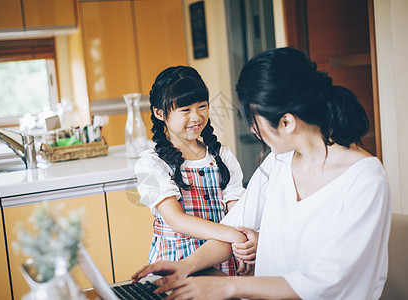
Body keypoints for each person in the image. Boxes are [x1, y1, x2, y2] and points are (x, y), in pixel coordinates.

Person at [132, 47, 391, 299]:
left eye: (255, 123)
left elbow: (328, 281)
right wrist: (186, 267)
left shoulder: (364, 179)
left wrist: (228, 287)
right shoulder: (277, 162)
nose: (254, 133)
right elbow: (232, 227)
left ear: (286, 122)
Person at [134, 66, 257, 276]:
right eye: (185, 110)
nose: (196, 116)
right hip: (176, 265)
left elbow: (237, 212)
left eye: (202, 106)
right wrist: (235, 236)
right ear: (159, 113)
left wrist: (246, 239)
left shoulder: (223, 156)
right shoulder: (151, 164)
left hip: (223, 259)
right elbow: (177, 220)